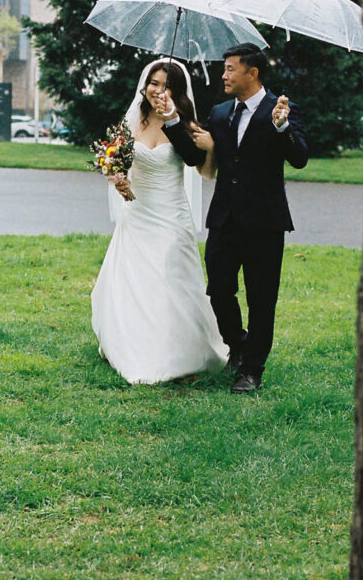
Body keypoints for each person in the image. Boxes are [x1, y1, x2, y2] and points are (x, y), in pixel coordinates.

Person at [160, 43, 308, 394]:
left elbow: (299, 157)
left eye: (229, 69)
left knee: (261, 298)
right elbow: (196, 156)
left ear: (251, 73)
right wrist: (172, 122)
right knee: (219, 290)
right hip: (224, 219)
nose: (223, 75)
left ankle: (252, 370)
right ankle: (237, 344)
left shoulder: (280, 109)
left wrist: (282, 127)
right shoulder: (221, 111)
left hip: (265, 222)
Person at [91, 59, 227, 384]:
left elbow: (200, 166)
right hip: (138, 213)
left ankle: (181, 355)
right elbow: (115, 158)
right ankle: (135, 345)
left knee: (170, 277)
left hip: (170, 213)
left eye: (165, 85)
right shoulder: (133, 119)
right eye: (153, 82)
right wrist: (118, 178)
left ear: (176, 91)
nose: (157, 90)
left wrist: (183, 128)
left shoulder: (184, 122)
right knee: (137, 281)